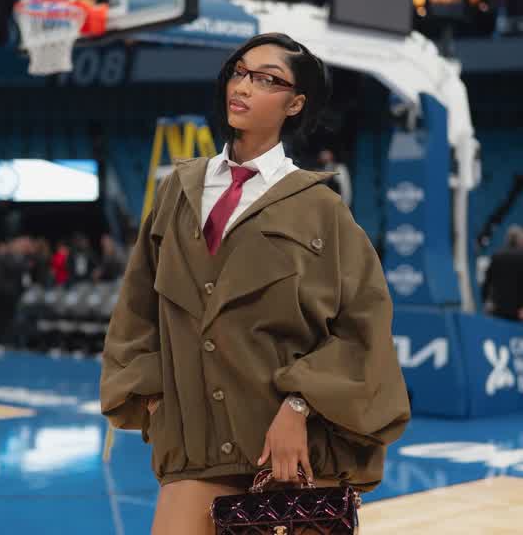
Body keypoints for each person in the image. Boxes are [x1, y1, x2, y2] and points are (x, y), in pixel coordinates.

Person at [99, 33, 410, 535]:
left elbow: (363, 327)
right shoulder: (178, 190)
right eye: (240, 72)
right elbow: (137, 309)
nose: (243, 86)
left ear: (295, 103)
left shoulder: (321, 208)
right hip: (198, 446)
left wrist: (300, 405)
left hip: (291, 450)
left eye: (267, 79)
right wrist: (156, 399)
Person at [482, 224, 523, 321]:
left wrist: (486, 301)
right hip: (518, 310)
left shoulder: (496, 256)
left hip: (498, 308)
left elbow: (487, 282)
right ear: (520, 240)